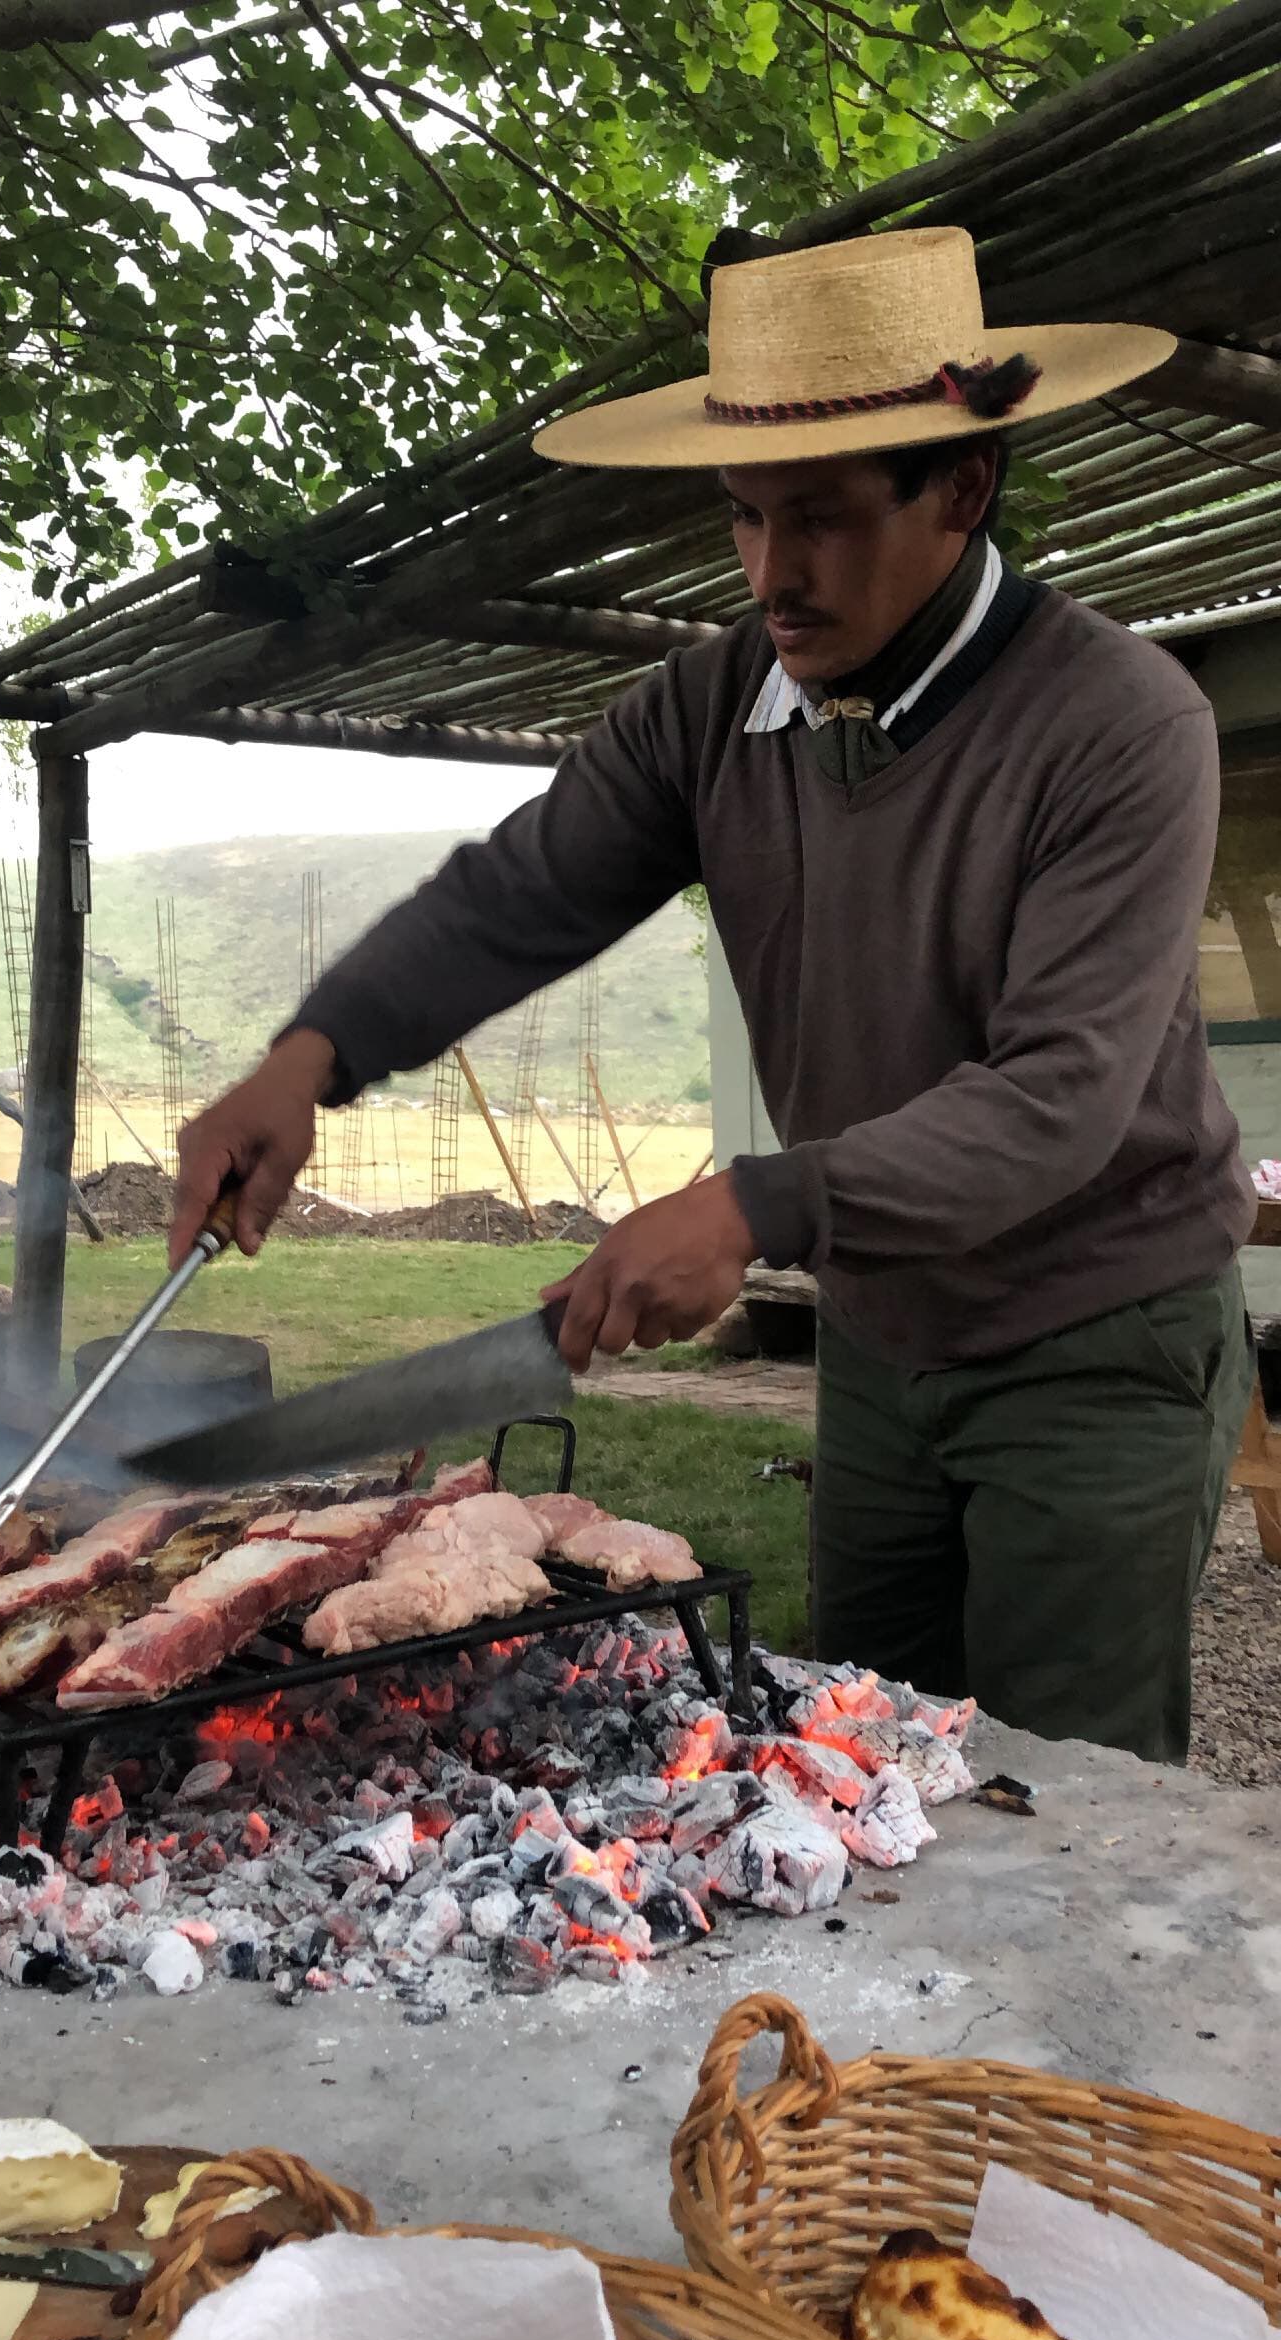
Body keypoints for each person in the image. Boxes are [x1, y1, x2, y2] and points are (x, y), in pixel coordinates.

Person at [172, 226, 1256, 1763]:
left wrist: (757, 1205)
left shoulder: (1121, 725)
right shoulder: (710, 704)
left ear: (962, 487)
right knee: (857, 1758)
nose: (771, 576)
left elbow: (1059, 1097)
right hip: (885, 1332)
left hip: (1098, 1333)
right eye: (744, 515)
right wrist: (310, 1057)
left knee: (1067, 1795)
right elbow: (517, 894)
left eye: (818, 519)